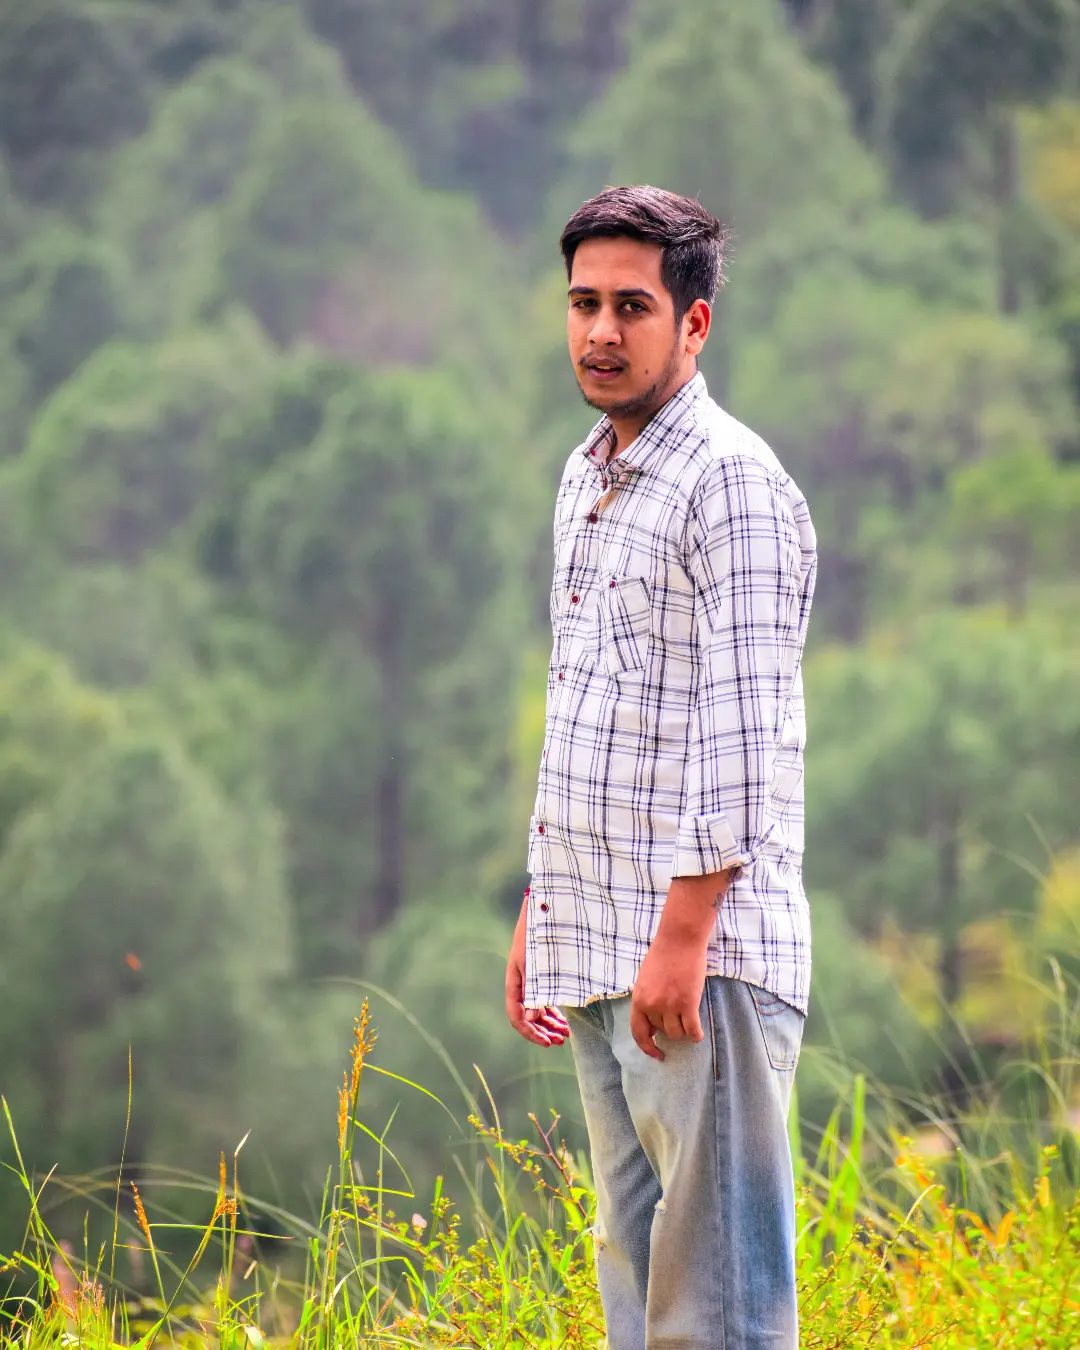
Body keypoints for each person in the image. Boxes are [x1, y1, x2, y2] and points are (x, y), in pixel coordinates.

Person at [504, 186, 817, 1350]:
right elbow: (588, 707)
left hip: (700, 960)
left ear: (693, 323)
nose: (600, 330)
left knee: (718, 1312)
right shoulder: (588, 475)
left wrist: (683, 938)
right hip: (597, 942)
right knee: (636, 1307)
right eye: (583, 302)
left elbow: (745, 729)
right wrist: (542, 904)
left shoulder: (731, 481)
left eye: (631, 307)